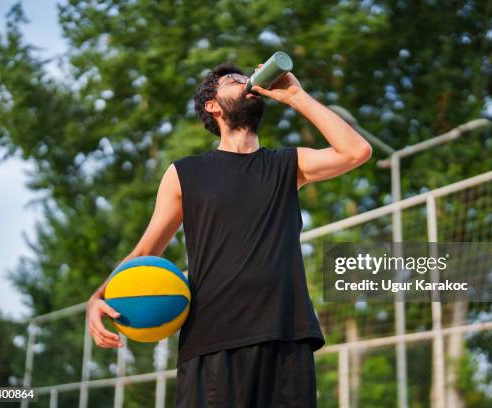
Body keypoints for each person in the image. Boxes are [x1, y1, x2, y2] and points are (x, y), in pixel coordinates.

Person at [86, 61, 372, 407]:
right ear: (212, 105)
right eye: (233, 80)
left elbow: (356, 152)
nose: (246, 81)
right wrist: (98, 295)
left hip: (287, 338)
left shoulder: (286, 164)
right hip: (213, 341)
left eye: (245, 77)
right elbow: (147, 249)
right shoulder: (185, 173)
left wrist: (296, 95)